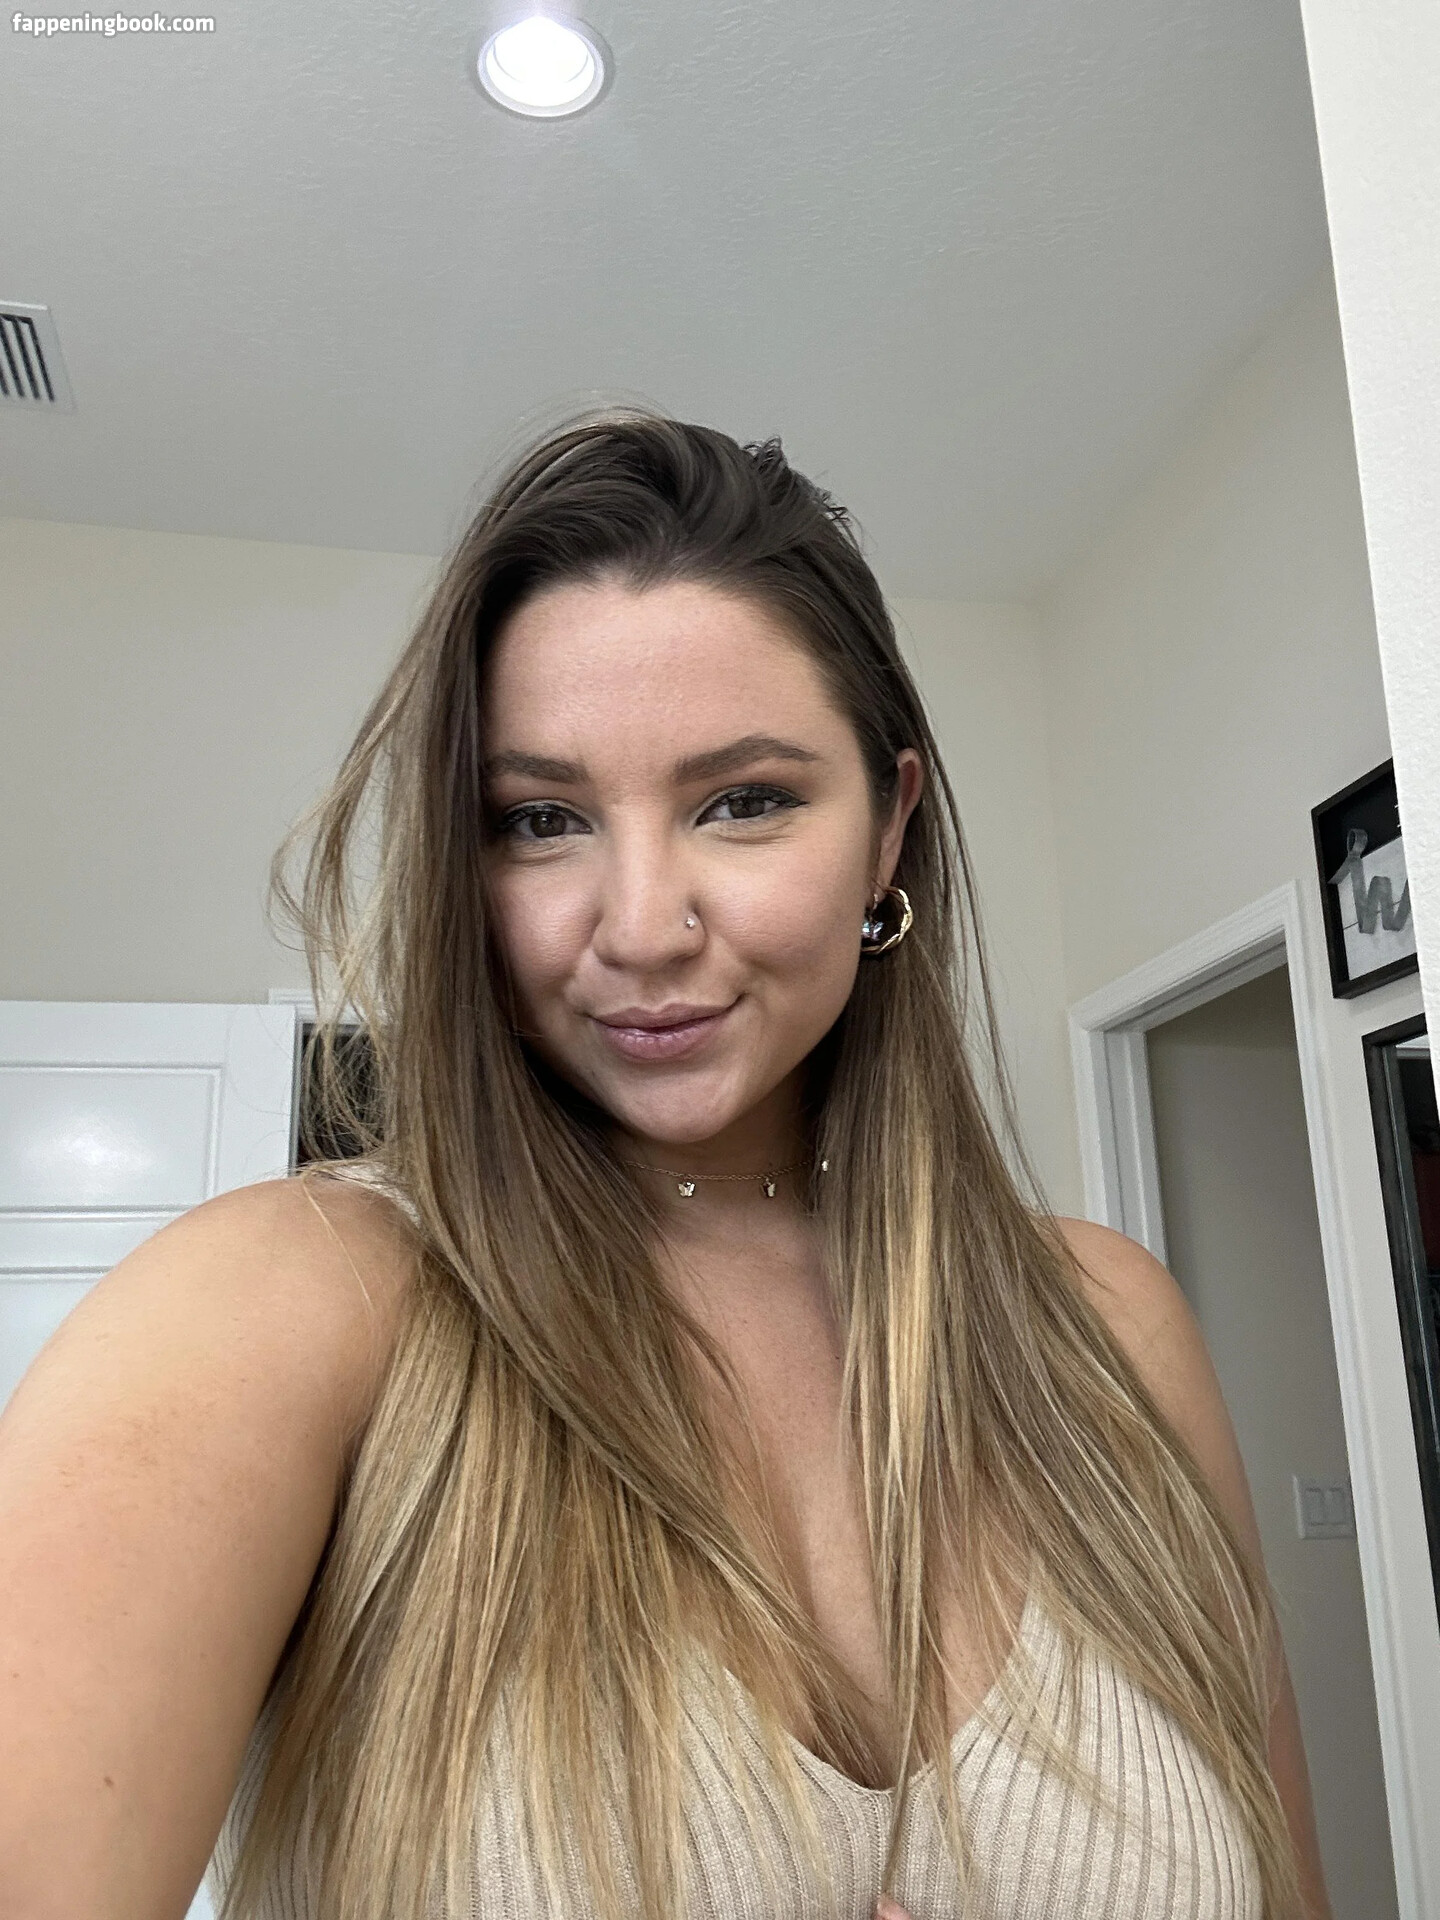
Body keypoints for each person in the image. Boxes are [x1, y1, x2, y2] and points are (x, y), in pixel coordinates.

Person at [0, 414, 1332, 1920]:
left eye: (744, 801)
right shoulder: (287, 1307)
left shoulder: (1112, 1328)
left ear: (889, 828)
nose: (640, 928)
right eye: (540, 821)